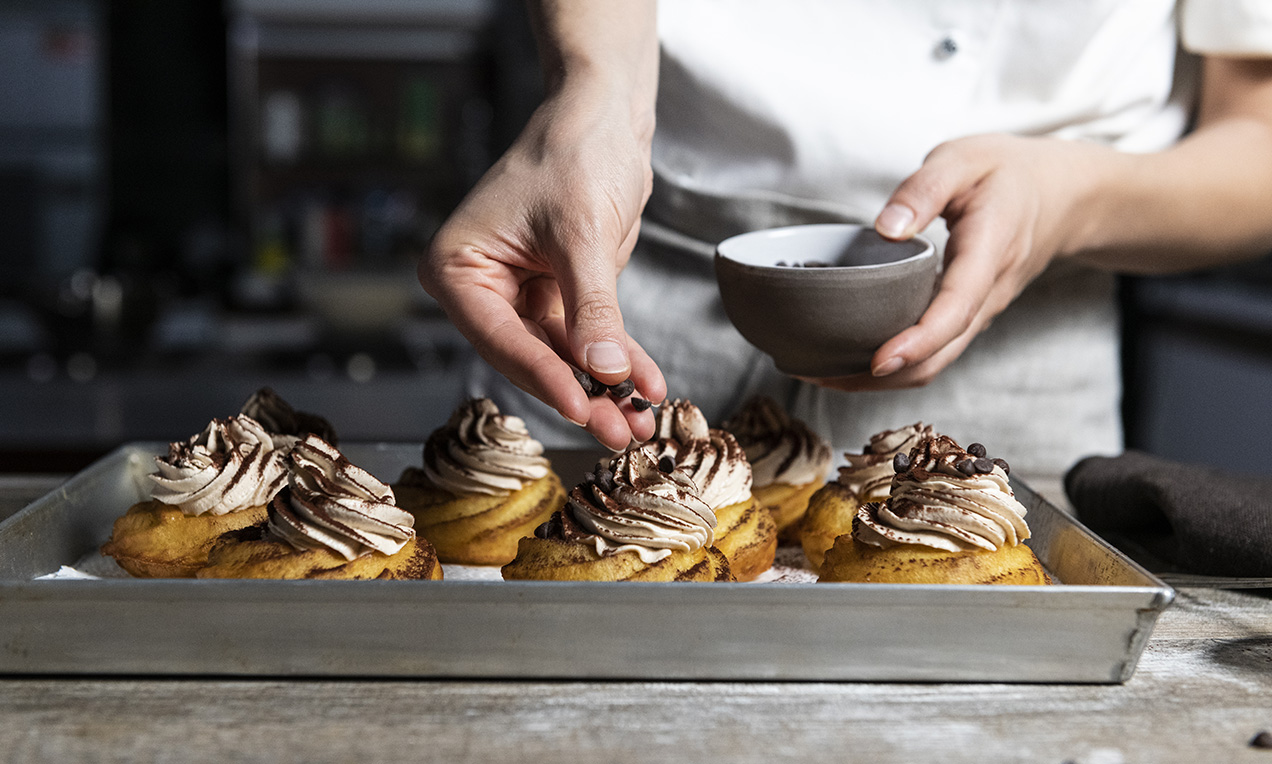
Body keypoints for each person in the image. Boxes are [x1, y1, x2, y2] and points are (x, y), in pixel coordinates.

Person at [418, 1, 1272, 479]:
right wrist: (597, 94)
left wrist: (1067, 202)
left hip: (1013, 346)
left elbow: (1256, 140)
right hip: (626, 292)